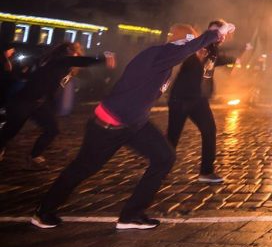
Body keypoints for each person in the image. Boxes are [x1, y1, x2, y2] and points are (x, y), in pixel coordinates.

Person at [30, 22, 234, 230]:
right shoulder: (159, 53)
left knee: (165, 156)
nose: (193, 43)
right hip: (109, 123)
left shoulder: (166, 59)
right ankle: (43, 211)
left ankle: (131, 216)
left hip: (134, 123)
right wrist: (215, 34)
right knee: (83, 167)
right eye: (190, 38)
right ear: (181, 39)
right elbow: (186, 49)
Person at [0, 42, 115, 167]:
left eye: (78, 53)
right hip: (24, 100)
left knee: (52, 129)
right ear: (68, 51)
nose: (77, 55)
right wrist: (104, 58)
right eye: (75, 52)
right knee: (11, 130)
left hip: (39, 103)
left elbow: (85, 72)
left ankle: (33, 156)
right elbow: (85, 61)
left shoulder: (65, 66)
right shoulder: (60, 60)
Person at [166, 19, 240, 183]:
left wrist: (238, 56)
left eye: (219, 32)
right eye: (213, 31)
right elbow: (202, 44)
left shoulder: (213, 51)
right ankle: (159, 170)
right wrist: (217, 34)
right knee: (172, 137)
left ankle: (206, 172)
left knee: (209, 131)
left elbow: (223, 57)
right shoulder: (195, 45)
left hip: (198, 100)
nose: (217, 35)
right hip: (180, 98)